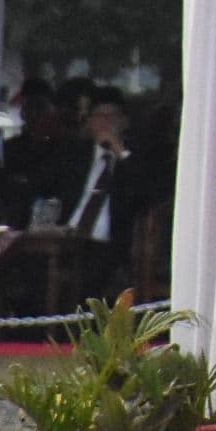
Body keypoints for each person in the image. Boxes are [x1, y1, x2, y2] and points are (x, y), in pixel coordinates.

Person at [56, 86, 157, 297]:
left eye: (112, 117)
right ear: (89, 122)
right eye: (99, 116)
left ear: (124, 122)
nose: (105, 122)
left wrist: (119, 150)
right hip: (67, 238)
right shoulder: (73, 155)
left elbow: (146, 193)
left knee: (92, 272)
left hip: (107, 244)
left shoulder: (133, 160)